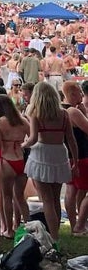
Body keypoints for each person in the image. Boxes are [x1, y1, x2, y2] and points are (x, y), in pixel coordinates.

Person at [23, 82, 78, 242]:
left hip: (41, 155)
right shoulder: (64, 114)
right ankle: (55, 234)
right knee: (55, 198)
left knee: (46, 199)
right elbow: (71, 140)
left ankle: (52, 237)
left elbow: (32, 139)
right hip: (59, 153)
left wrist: (22, 144)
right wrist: (74, 161)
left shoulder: (35, 114)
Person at [0, 94, 30, 238]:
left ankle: (9, 229)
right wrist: (23, 144)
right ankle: (29, 226)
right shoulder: (22, 120)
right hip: (21, 160)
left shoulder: (0, 122)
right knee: (20, 197)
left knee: (6, 196)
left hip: (7, 160)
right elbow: (33, 137)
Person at [61, 81, 88, 235]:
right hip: (81, 155)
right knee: (82, 190)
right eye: (79, 92)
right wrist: (84, 113)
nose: (82, 95)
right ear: (71, 93)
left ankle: (75, 223)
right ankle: (79, 224)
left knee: (72, 190)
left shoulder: (62, 110)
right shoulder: (73, 112)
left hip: (69, 155)